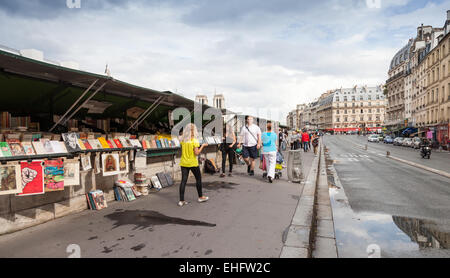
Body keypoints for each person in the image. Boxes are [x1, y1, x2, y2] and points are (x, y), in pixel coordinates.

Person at [178, 123, 209, 207]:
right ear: (194, 131)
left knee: (183, 181)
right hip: (192, 163)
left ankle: (181, 200)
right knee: (198, 179)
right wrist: (202, 146)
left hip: (183, 162)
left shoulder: (183, 140)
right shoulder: (194, 141)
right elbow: (197, 153)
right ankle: (200, 197)